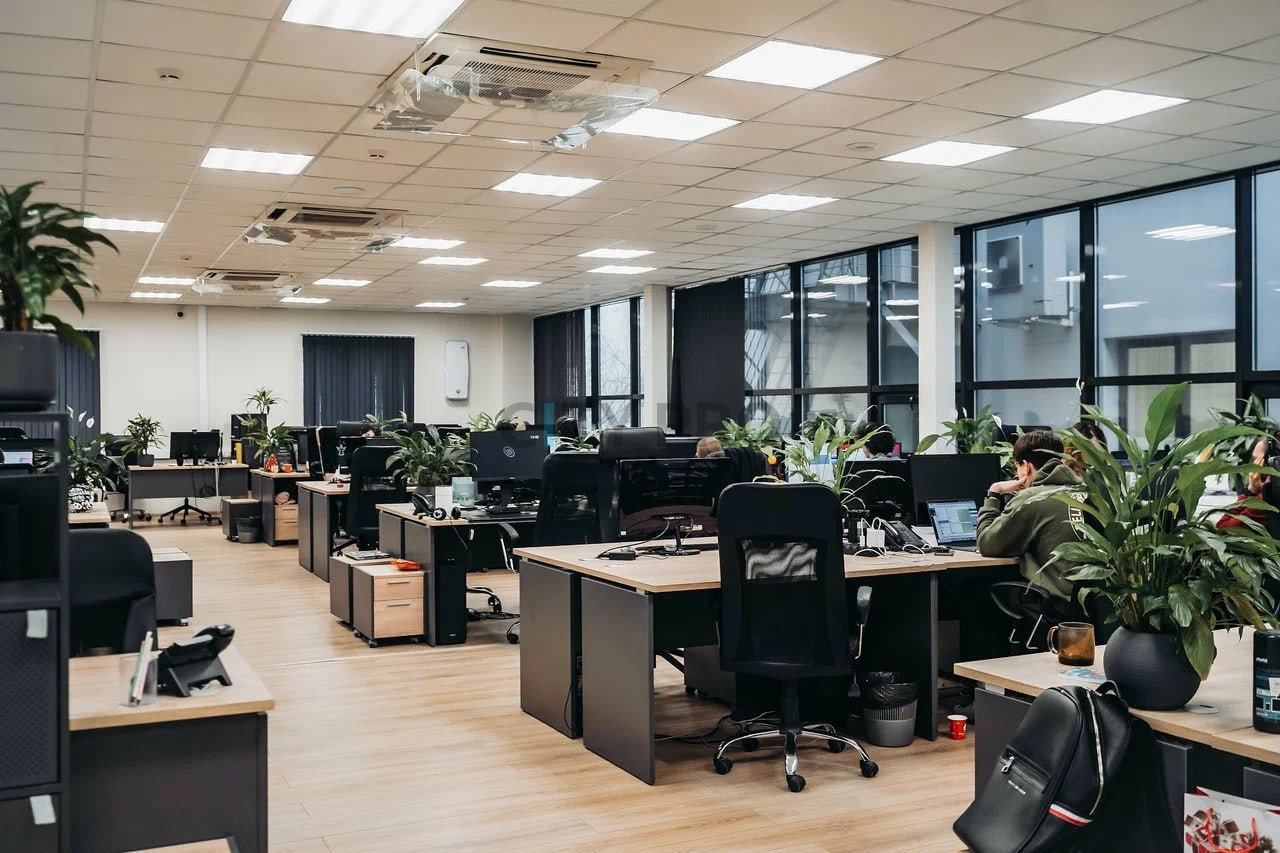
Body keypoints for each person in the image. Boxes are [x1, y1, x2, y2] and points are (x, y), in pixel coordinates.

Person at [976, 430, 1085, 604]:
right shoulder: (1088, 493)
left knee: (972, 589)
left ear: (1026, 466)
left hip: (1058, 603)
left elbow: (986, 544)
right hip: (1098, 604)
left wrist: (994, 493)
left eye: (1017, 467)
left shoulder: (1032, 498)